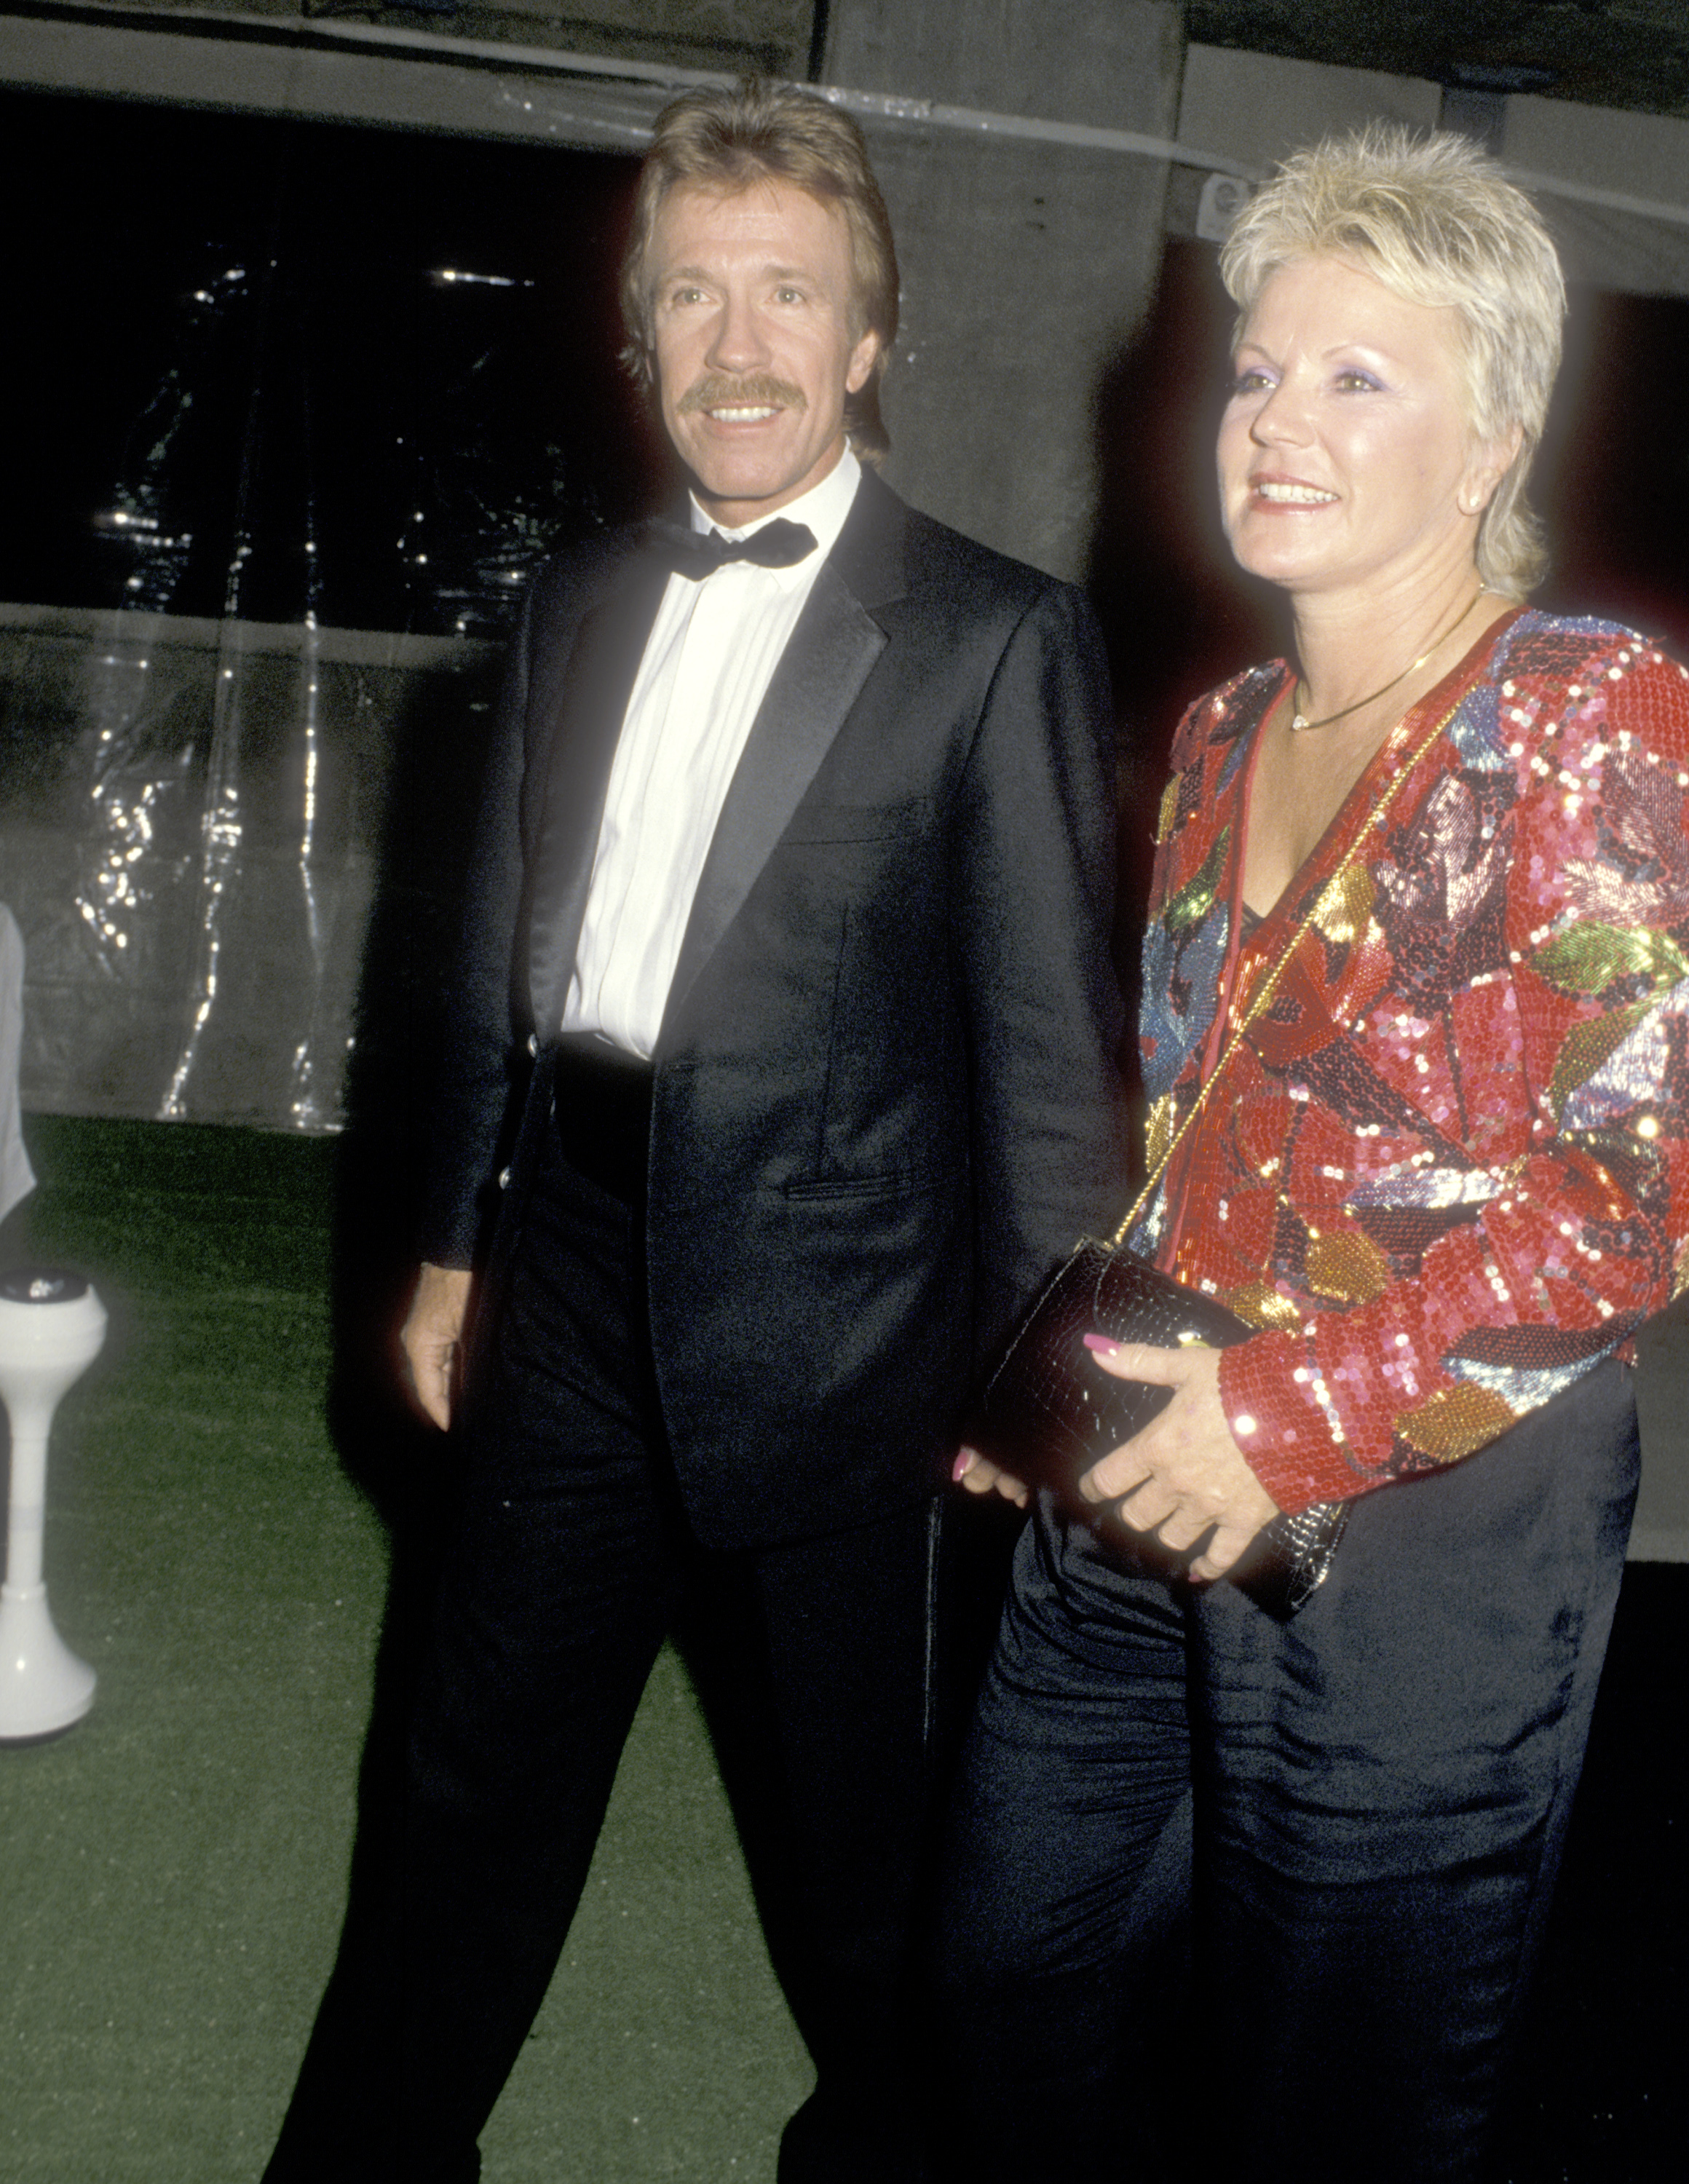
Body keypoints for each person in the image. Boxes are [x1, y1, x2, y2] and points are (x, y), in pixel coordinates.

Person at [264, 76, 1123, 2184]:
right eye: (693, 299)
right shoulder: (570, 606)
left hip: (855, 1345)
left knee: (868, 1866)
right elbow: (490, 960)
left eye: (788, 299)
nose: (738, 348)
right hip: (562, 1275)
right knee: (460, 1797)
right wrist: (461, 1249)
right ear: (639, 336)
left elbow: (1041, 1064)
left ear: (865, 340)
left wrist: (1041, 1387)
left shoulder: (997, 638)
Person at [941, 125, 1689, 2182]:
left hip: (1438, 1512)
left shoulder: (1593, 715)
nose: (1275, 420)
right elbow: (1214, 1132)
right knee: (1016, 1966)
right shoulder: (1219, 734)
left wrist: (1287, 1413)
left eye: (1360, 377)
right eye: (1260, 370)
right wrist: (1060, 1379)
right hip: (1153, 1440)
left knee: (1334, 2094)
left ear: (1490, 442)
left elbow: (1635, 1200)